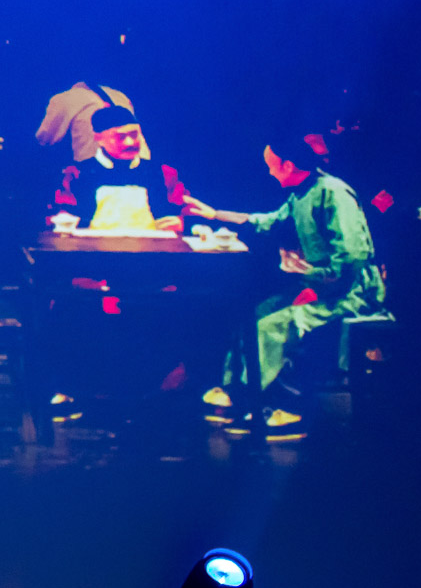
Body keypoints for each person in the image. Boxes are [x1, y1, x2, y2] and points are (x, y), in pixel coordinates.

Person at [184, 130, 388, 426]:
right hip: (322, 284)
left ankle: (266, 400)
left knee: (275, 325)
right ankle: (238, 388)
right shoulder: (301, 194)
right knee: (258, 314)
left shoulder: (333, 192)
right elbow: (267, 221)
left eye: (271, 164)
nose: (268, 171)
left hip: (352, 292)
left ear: (288, 166)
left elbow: (352, 259)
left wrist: (312, 278)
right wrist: (215, 214)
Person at [47, 91, 186, 231]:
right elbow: (61, 216)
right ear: (99, 139)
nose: (130, 142)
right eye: (120, 137)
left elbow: (185, 210)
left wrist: (181, 222)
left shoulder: (163, 174)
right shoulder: (76, 175)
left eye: (134, 135)